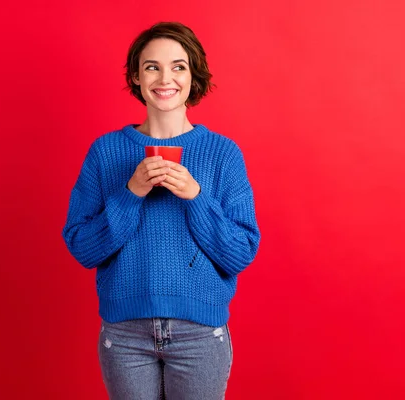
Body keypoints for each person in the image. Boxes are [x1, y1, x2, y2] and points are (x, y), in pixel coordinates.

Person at [61, 21, 261, 399]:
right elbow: (83, 248)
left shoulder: (223, 154)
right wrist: (130, 193)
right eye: (152, 66)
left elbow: (240, 253)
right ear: (136, 76)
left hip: (200, 334)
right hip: (124, 334)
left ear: (193, 75)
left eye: (178, 66)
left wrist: (196, 196)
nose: (164, 77)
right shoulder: (105, 152)